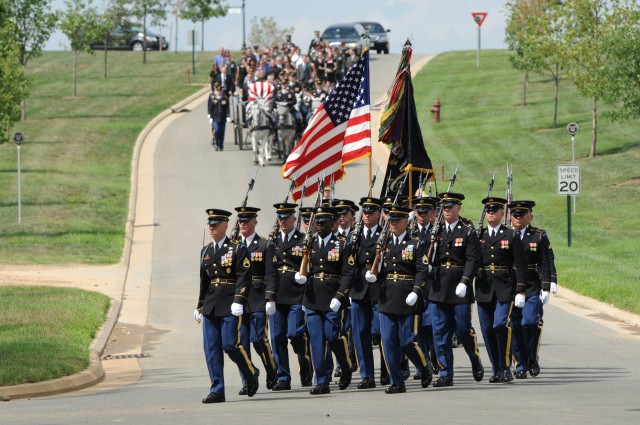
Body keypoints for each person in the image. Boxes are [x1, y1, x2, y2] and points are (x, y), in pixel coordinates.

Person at [194, 209, 260, 404]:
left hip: (231, 303)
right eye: (210, 225)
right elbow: (204, 281)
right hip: (211, 305)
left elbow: (244, 276)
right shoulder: (206, 251)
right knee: (211, 349)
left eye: (215, 225)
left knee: (231, 344)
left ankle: (250, 372)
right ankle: (217, 389)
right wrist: (199, 306)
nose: (211, 228)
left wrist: (239, 300)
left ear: (225, 226)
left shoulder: (237, 248)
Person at [365, 205, 432, 394]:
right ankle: (397, 381)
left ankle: (424, 365)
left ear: (406, 221)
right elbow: (379, 268)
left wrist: (417, 291)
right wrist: (373, 276)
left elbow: (422, 270)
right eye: (391, 220)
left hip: (407, 297)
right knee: (387, 341)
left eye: (397, 220)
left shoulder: (416, 243)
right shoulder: (384, 244)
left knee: (406, 341)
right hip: (386, 298)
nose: (393, 224)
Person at [295, 207, 355, 394]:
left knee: (332, 336)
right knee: (316, 341)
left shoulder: (343, 245)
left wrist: (340, 295)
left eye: (323, 223)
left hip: (332, 297)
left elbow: (348, 273)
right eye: (317, 222)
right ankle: (321, 380)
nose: (319, 226)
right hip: (312, 298)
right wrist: (301, 277)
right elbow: (305, 267)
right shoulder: (309, 243)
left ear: (333, 224)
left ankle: (346, 366)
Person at [428, 192, 483, 387]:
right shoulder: (436, 231)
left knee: (462, 330)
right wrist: (427, 264)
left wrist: (466, 280)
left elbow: (473, 260)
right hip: (439, 286)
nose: (447, 210)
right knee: (440, 332)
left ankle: (474, 359)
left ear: (459, 208)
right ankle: (445, 373)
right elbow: (427, 256)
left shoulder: (467, 231)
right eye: (444, 207)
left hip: (459, 286)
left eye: (451, 207)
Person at [475, 197, 527, 383]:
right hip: (483, 287)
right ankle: (496, 369)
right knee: (487, 330)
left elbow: (520, 265)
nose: (491, 213)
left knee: (500, 324)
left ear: (502, 213)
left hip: (505, 287)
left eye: (495, 210)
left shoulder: (511, 235)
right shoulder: (478, 234)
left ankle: (505, 367)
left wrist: (520, 290)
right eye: (488, 210)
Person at [269, 203, 314, 390]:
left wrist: (305, 274)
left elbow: (312, 264)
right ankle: (283, 377)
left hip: (296, 295)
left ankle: (305, 364)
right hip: (277, 295)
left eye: (286, 218)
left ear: (294, 219)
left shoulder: (303, 239)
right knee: (277, 338)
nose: (283, 221)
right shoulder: (272, 241)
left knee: (295, 333)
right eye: (280, 218)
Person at [234, 206, 279, 393]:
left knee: (259, 339)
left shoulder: (264, 245)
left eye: (247, 221)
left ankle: (271, 369)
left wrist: (270, 298)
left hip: (258, 297)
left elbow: (271, 274)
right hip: (239, 299)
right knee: (241, 343)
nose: (243, 224)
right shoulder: (233, 246)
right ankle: (248, 380)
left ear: (255, 222)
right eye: (240, 221)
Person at [508, 200, 551, 379]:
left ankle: (532, 357)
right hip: (510, 285)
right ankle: (520, 364)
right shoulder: (506, 234)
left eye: (522, 214)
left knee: (530, 322)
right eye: (515, 215)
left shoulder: (538, 235)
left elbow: (546, 262)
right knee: (515, 325)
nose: (518, 218)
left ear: (530, 217)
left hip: (532, 285)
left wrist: (547, 285)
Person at [349, 197, 384, 389]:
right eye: (365, 212)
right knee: (360, 334)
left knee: (382, 332)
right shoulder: (355, 236)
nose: (367, 216)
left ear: (379, 214)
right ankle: (367, 375)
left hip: (378, 288)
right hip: (359, 287)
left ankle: (387, 370)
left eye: (371, 212)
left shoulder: (384, 234)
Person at [411, 196, 440, 376]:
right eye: (419, 212)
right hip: (414, 286)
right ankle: (423, 363)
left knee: (432, 325)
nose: (422, 216)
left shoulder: (438, 232)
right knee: (418, 327)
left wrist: (433, 268)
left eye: (425, 212)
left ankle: (435, 360)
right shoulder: (409, 232)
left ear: (432, 214)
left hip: (433, 285)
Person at [207, 83, 230, 151]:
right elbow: (210, 107)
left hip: (222, 118)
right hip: (215, 118)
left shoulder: (224, 98)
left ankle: (221, 144)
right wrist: (210, 115)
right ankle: (217, 144)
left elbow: (227, 108)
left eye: (220, 90)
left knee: (222, 132)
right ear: (216, 91)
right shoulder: (213, 98)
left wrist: (228, 116)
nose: (219, 92)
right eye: (218, 90)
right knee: (216, 130)